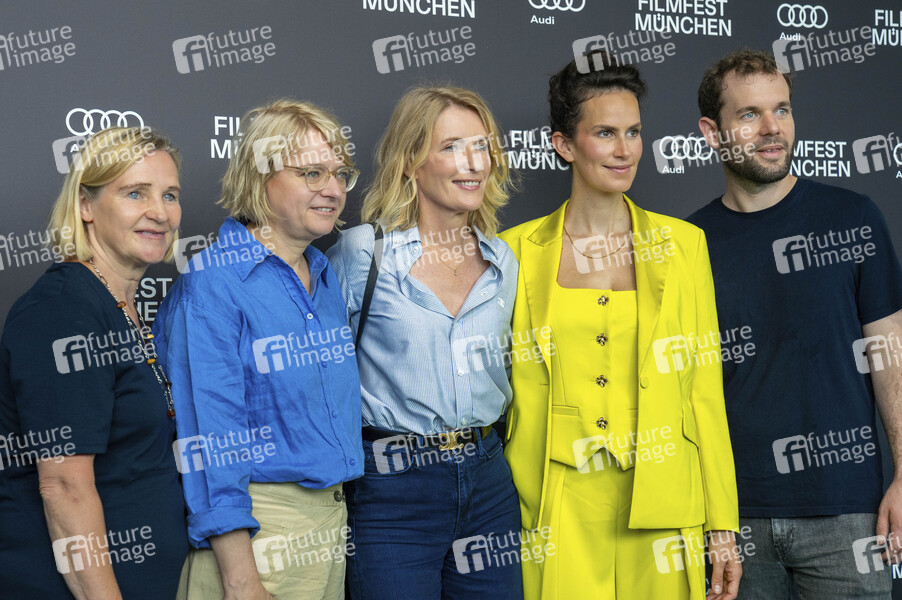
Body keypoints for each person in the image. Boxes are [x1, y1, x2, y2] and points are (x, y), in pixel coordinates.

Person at [499, 55, 741, 600]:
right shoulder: (514, 251)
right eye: (605, 133)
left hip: (662, 496)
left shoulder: (684, 246)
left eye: (633, 132)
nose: (625, 149)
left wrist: (722, 524)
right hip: (553, 500)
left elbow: (704, 392)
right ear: (564, 144)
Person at [687, 49, 902, 599]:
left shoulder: (853, 218)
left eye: (781, 109)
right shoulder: (688, 244)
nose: (772, 128)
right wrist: (710, 517)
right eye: (750, 114)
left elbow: (890, 355)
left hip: (847, 515)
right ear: (712, 133)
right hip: (734, 520)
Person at [152, 99, 363, 600]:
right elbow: (210, 441)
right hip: (257, 538)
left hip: (329, 525)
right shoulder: (213, 283)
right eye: (312, 173)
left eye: (340, 174)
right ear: (261, 175)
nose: (333, 189)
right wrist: (241, 579)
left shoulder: (324, 275)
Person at [327, 85, 522, 599]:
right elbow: (320, 377)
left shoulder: (505, 260)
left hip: (488, 481)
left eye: (481, 146)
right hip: (393, 487)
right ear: (411, 161)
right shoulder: (363, 254)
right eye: (452, 146)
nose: (473, 162)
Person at [0, 126, 188, 598]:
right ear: (85, 205)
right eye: (135, 193)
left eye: (169, 195)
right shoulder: (64, 311)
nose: (159, 212)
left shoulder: (117, 305)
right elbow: (64, 487)